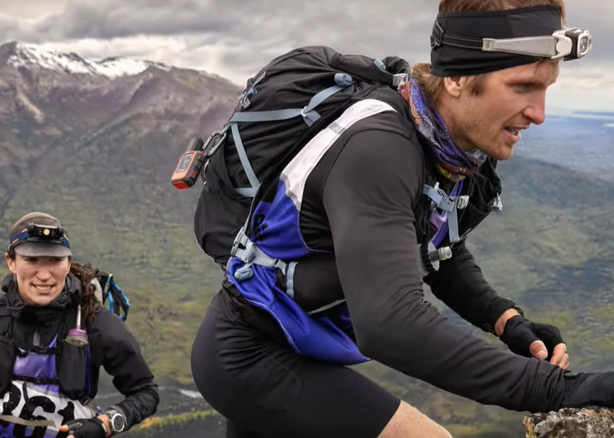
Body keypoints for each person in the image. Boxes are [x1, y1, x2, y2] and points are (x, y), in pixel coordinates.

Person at [190, 1, 612, 437]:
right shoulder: (379, 150)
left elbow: (435, 248)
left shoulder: (446, 143)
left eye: (546, 88)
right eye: (522, 86)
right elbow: (391, 323)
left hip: (298, 347)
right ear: (459, 78)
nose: (538, 113)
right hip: (251, 355)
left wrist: (506, 320)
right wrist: (563, 389)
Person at [0, 212, 158, 438]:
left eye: (55, 260)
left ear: (68, 263)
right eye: (31, 260)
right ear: (11, 262)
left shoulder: (96, 325)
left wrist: (104, 425)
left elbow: (146, 392)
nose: (44, 275)